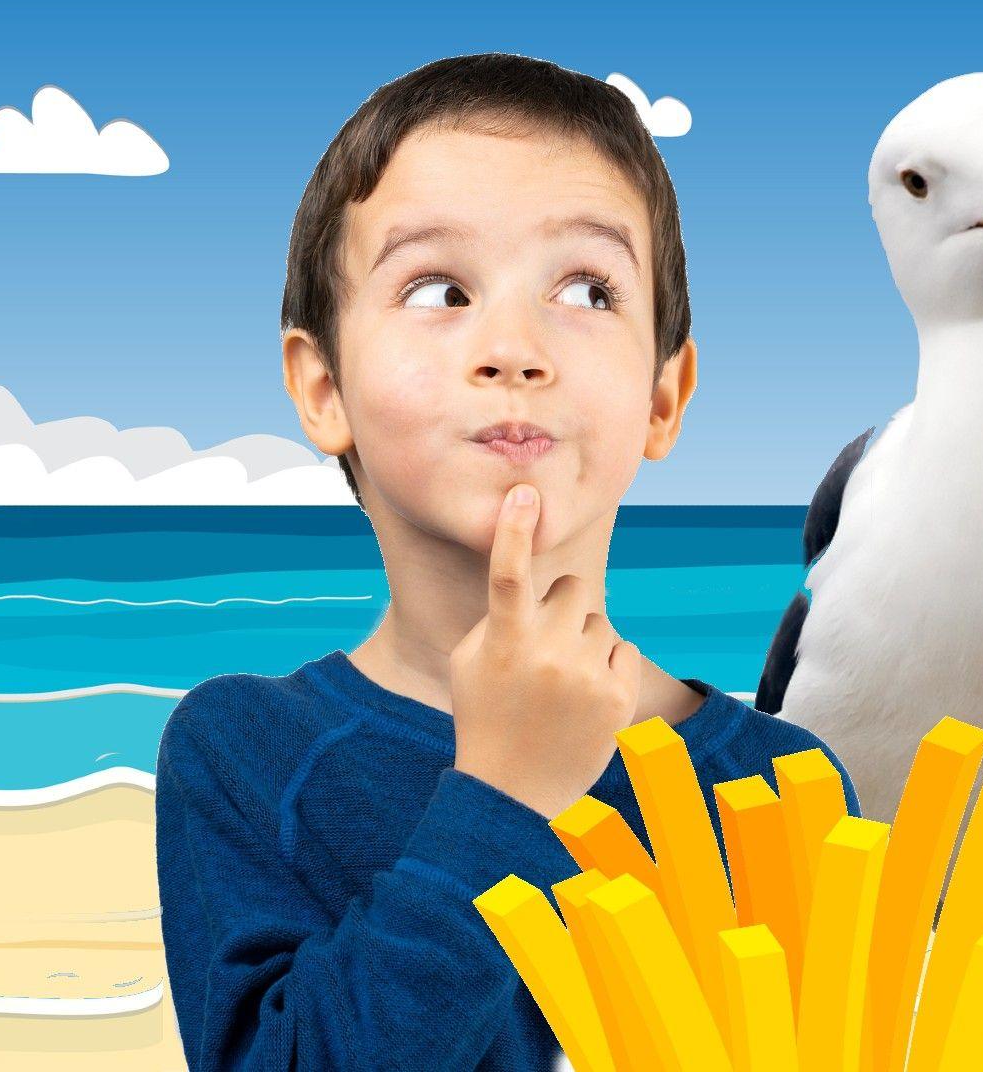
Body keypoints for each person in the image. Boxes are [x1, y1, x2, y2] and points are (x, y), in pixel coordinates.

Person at [153, 52, 860, 1070]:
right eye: (440, 289)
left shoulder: (786, 786)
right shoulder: (244, 753)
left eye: (585, 288)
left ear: (665, 394)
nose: (516, 348)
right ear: (323, 389)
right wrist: (501, 796)